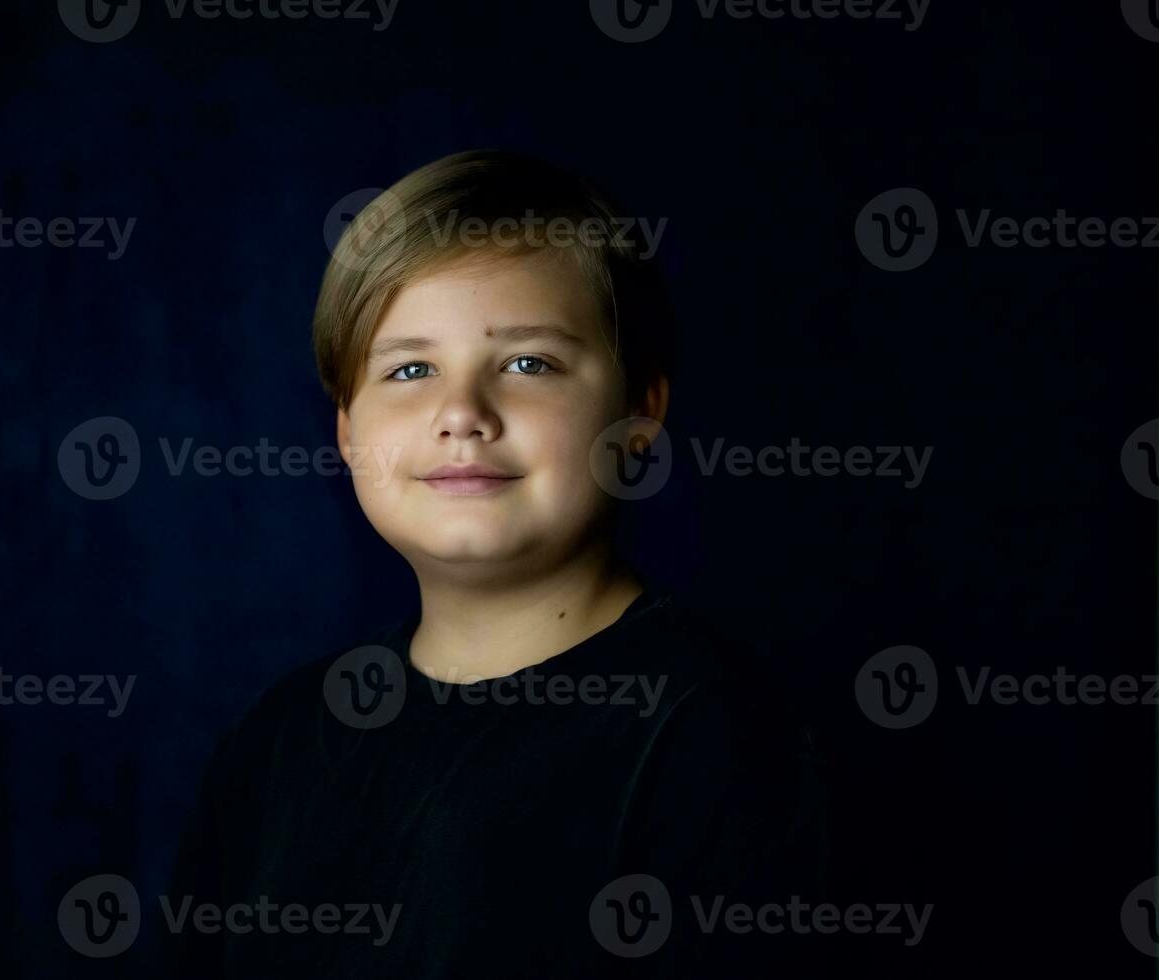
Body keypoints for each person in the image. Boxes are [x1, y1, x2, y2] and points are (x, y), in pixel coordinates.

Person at [166, 148, 829, 977]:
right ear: (346, 430)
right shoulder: (277, 743)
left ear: (637, 413)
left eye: (528, 364)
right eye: (410, 370)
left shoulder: (716, 740)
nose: (461, 414)